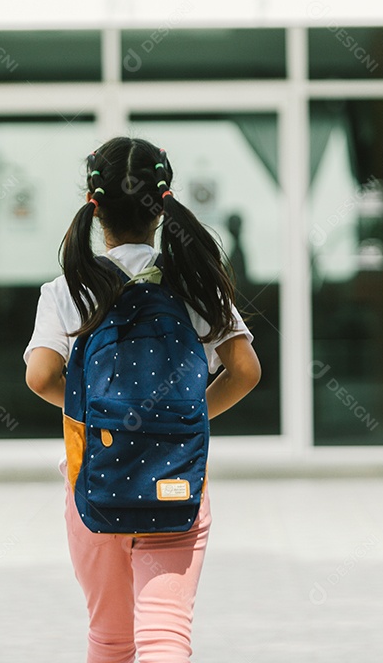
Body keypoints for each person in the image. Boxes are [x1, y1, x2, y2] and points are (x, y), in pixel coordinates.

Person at [23, 136, 261, 663]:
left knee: (110, 640)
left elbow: (40, 377)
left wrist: (92, 407)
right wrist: (182, 416)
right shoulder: (195, 284)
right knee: (165, 636)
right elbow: (245, 370)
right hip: (175, 479)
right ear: (162, 203)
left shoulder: (67, 290)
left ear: (94, 204)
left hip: (96, 479)